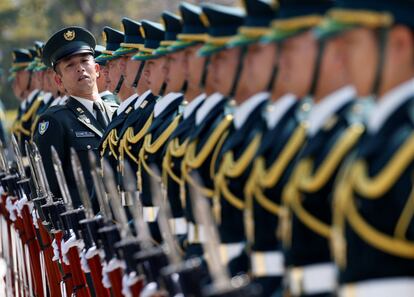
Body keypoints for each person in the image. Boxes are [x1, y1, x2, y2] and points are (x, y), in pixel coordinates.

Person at [320, 1, 414, 296]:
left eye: (350, 44)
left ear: (399, 44)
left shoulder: (405, 142)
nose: (338, 60)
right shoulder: (379, 134)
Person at [33, 26, 118, 211]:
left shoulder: (117, 113)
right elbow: (49, 189)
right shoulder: (54, 121)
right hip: (85, 228)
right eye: (69, 65)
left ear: (96, 69)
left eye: (84, 61)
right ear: (58, 81)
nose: (80, 68)